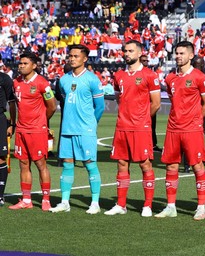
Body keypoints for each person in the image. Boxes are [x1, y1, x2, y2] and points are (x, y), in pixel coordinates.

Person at [155, 41, 205, 220]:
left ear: (190, 55)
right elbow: (175, 101)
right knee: (171, 166)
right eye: (177, 53)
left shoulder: (199, 77)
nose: (178, 56)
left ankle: (201, 207)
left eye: (182, 53)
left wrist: (195, 120)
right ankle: (171, 206)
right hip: (173, 128)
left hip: (192, 129)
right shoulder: (170, 78)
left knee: (197, 166)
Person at [104, 40, 161, 217]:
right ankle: (121, 204)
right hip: (122, 126)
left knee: (145, 164)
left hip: (140, 128)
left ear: (139, 53)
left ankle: (148, 205)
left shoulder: (149, 75)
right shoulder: (119, 75)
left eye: (130, 51)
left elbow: (156, 104)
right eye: (125, 50)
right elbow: (119, 97)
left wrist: (142, 119)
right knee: (121, 163)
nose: (127, 53)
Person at [50, 45, 105, 214]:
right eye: (70, 56)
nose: (72, 58)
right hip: (67, 129)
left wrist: (91, 124)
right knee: (67, 165)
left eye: (76, 56)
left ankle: (95, 202)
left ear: (85, 58)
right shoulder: (64, 80)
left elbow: (100, 107)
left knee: (90, 164)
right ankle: (65, 202)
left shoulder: (93, 79)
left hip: (85, 130)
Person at [7, 52, 55, 210]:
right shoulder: (16, 82)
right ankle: (26, 200)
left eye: (25, 63)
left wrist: (41, 121)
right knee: (23, 164)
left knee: (41, 164)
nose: (21, 66)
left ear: (34, 65)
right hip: (21, 130)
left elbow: (52, 106)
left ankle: (46, 198)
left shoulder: (43, 83)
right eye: (20, 63)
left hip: (37, 131)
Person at [140, 54, 162, 153]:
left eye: (146, 61)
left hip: (150, 104)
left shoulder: (150, 74)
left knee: (151, 126)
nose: (146, 63)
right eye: (143, 61)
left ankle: (152, 144)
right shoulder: (137, 74)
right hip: (140, 106)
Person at [0, 58, 14, 207]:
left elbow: (12, 101)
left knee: (0, 158)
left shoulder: (4, 78)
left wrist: (12, 123)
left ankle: (0, 195)